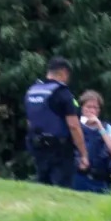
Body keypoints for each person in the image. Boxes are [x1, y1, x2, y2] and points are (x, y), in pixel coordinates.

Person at [23, 56, 89, 188]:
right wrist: (83, 154)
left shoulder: (32, 91)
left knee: (42, 186)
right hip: (60, 150)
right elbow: (74, 126)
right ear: (63, 72)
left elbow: (30, 122)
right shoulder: (62, 93)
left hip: (38, 147)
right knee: (61, 189)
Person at [73, 90, 111, 194]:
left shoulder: (106, 127)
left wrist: (99, 127)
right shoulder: (75, 126)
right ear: (82, 108)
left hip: (101, 181)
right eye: (89, 107)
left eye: (95, 107)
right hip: (78, 177)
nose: (92, 110)